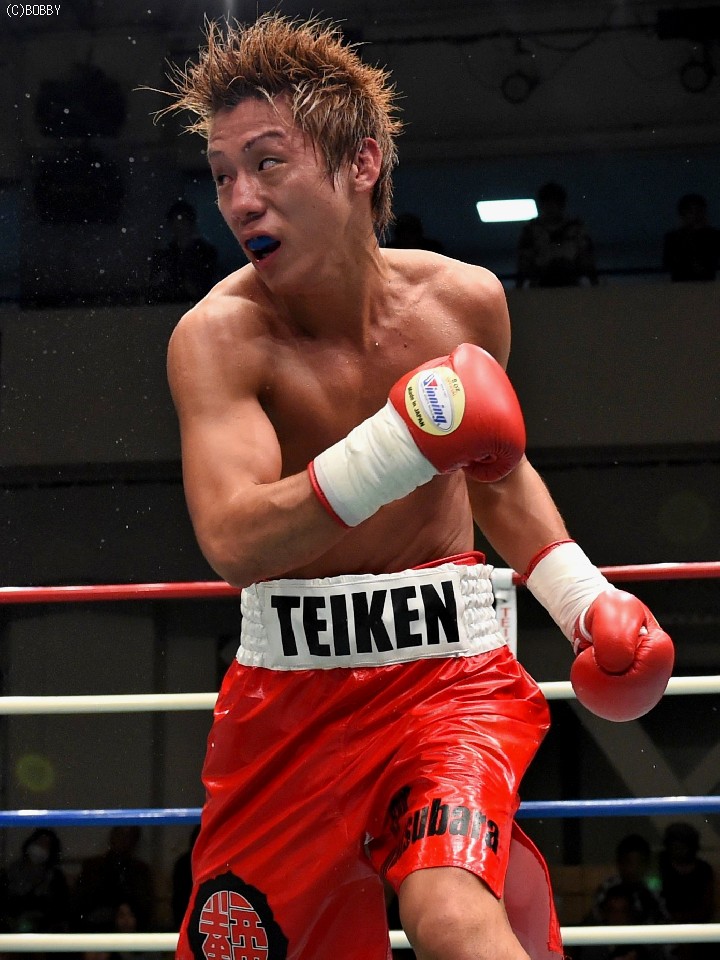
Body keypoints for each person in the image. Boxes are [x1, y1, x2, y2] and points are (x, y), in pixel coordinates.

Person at [159, 14, 675, 960]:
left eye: (267, 163)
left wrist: (582, 598)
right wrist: (398, 442)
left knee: (451, 909)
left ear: (360, 163)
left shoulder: (463, 302)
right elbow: (233, 538)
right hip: (287, 710)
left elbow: (493, 471)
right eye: (224, 174)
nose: (239, 199)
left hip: (450, 682)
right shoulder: (219, 338)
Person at [516, 181, 599, 288]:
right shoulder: (531, 230)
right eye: (547, 204)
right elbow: (524, 261)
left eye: (554, 203)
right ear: (541, 205)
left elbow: (587, 258)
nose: (550, 208)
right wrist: (519, 286)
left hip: (571, 283)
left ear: (561, 205)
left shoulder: (576, 228)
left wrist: (595, 285)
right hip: (541, 284)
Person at [73, 826, 155, 932]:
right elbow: (81, 902)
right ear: (112, 837)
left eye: (129, 837)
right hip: (98, 926)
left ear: (135, 841)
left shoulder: (141, 870)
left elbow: (145, 906)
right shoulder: (92, 866)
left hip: (132, 928)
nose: (124, 840)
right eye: (120, 835)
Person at [658, 822, 715, 959]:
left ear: (692, 846)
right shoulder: (659, 865)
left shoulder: (704, 870)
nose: (679, 849)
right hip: (663, 927)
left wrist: (687, 921)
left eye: (683, 844)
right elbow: (654, 897)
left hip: (699, 929)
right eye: (675, 844)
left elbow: (708, 906)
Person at [0, 828, 71, 934]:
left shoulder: (56, 876)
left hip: (42, 929)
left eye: (46, 845)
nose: (41, 847)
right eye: (39, 842)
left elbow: (61, 908)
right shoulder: (10, 872)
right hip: (11, 927)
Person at [146, 200, 218, 303]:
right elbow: (155, 285)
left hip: (198, 305)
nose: (179, 226)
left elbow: (204, 286)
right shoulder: (166, 254)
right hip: (168, 306)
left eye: (183, 221)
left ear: (191, 223)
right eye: (174, 222)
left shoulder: (205, 253)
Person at [589, 834, 668, 927]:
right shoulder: (606, 889)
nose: (634, 869)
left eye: (640, 863)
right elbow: (596, 920)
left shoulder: (654, 891)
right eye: (629, 862)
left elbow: (665, 921)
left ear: (647, 864)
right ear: (619, 863)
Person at [662, 193, 720, 282]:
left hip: (707, 284)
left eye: (700, 211)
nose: (697, 216)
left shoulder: (713, 236)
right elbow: (669, 263)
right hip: (681, 284)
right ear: (683, 215)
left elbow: (714, 259)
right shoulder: (673, 238)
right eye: (691, 212)